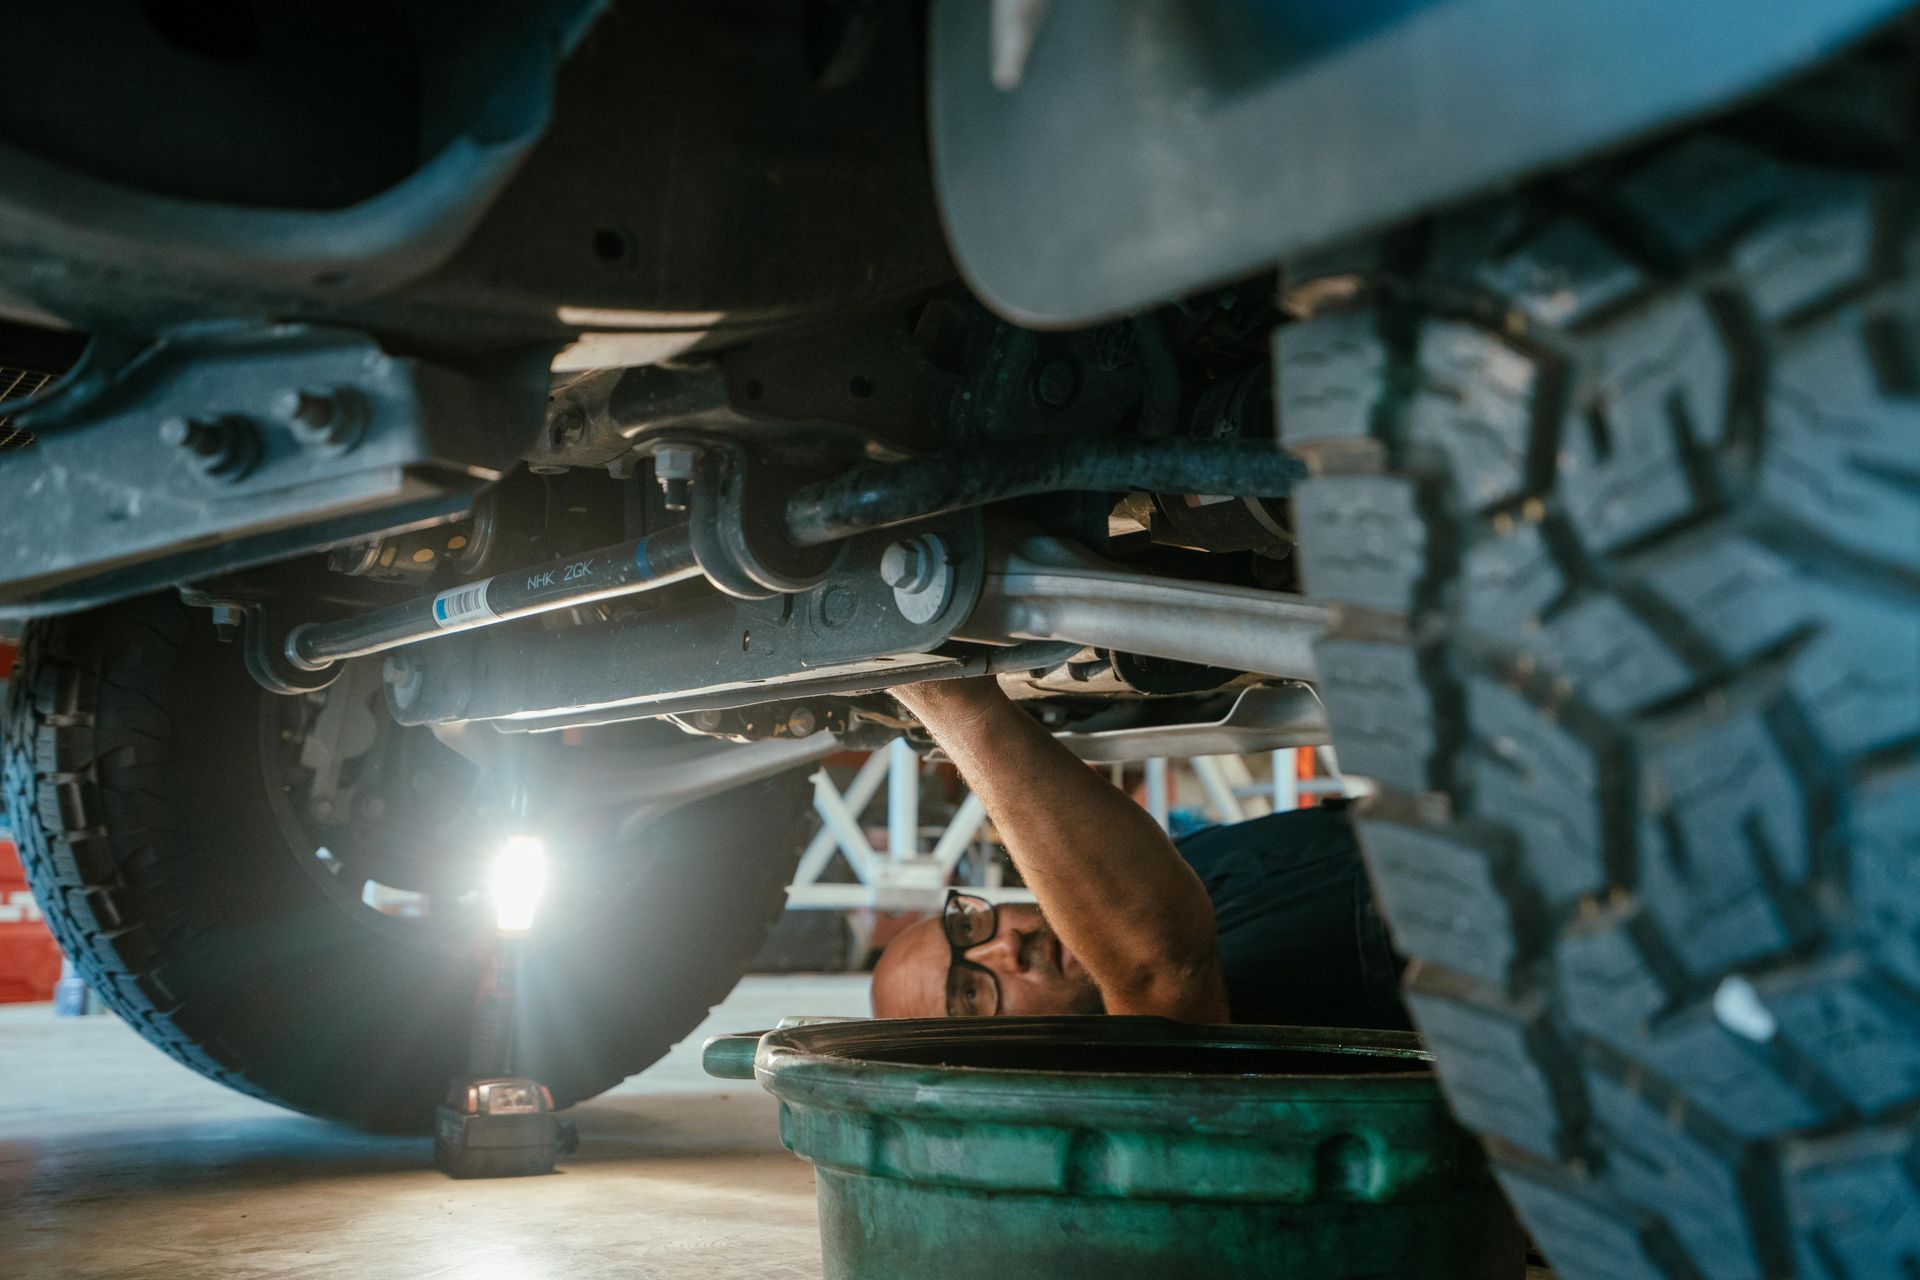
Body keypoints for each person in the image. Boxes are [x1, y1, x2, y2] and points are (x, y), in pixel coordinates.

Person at [870, 678, 1409, 1028]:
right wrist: (948, 696)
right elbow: (1156, 970)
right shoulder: (1146, 1061)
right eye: (969, 995)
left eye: (966, 928)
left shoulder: (1163, 875)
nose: (1007, 945)